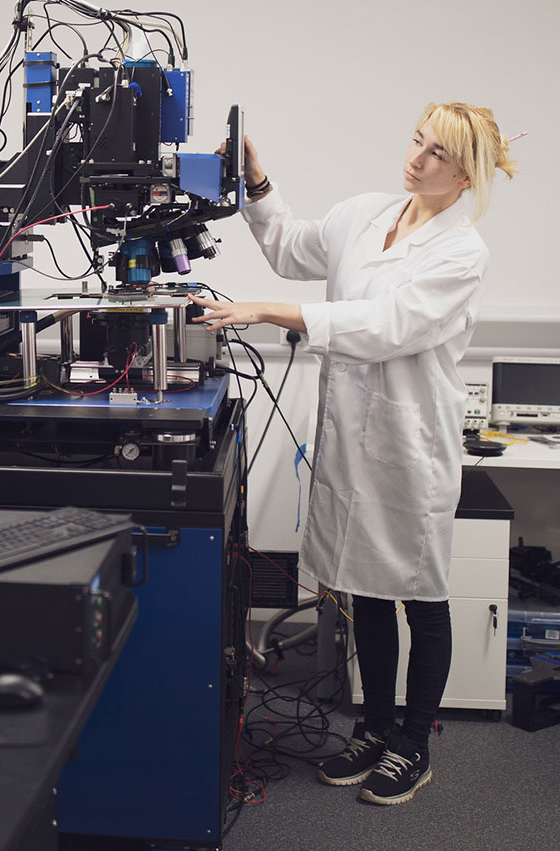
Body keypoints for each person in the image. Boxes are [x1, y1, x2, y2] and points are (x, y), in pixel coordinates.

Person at [188, 102, 518, 805]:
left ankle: (414, 743)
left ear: (465, 175)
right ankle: (372, 729)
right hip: (348, 436)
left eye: (436, 154)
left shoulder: (463, 252)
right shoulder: (365, 214)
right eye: (417, 140)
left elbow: (387, 324)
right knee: (363, 588)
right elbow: (290, 244)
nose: (417, 158)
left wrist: (271, 311)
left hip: (410, 446)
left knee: (421, 595)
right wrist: (256, 180)